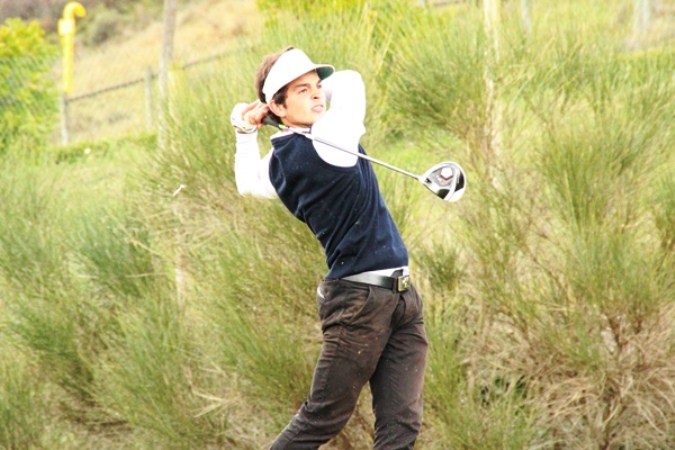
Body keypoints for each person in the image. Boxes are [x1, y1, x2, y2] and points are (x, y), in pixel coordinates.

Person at [230, 46, 428, 449]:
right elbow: (351, 80)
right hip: (360, 302)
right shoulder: (327, 136)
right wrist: (268, 109)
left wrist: (246, 130)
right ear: (278, 106)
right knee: (321, 417)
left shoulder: (282, 156)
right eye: (302, 91)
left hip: (400, 299)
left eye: (317, 86)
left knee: (401, 424)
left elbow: (247, 182)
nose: (318, 94)